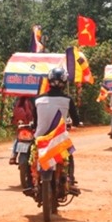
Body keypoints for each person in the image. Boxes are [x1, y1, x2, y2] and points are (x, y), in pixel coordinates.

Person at [30, 67, 81, 195]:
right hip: (59, 140)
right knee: (69, 156)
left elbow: (35, 122)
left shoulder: (38, 100)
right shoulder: (68, 100)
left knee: (32, 158)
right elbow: (76, 120)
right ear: (64, 82)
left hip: (40, 140)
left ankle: (31, 183)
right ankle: (70, 180)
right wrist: (76, 123)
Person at [9, 96, 35, 164]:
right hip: (29, 124)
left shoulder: (19, 99)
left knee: (18, 138)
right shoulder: (34, 98)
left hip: (21, 123)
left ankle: (13, 155)